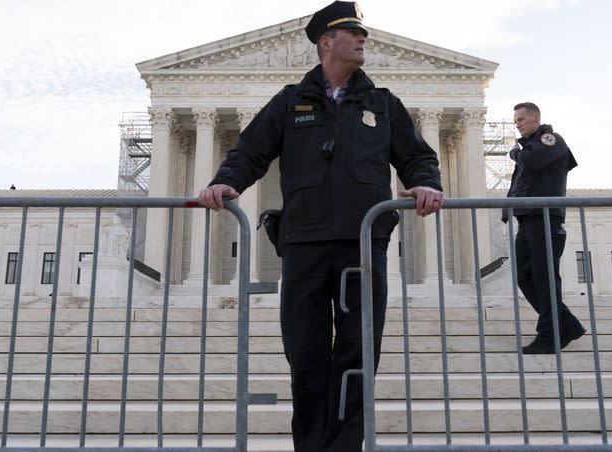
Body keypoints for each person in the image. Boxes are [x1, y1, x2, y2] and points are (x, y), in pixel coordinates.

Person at [197, 2, 444, 450]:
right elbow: (250, 151)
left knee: (358, 357)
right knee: (306, 358)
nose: (363, 38)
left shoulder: (381, 104)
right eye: (353, 32)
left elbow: (418, 156)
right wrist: (225, 182)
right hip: (304, 245)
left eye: (362, 33)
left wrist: (426, 184)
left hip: (363, 248)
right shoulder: (291, 101)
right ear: (326, 42)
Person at [503, 102, 585, 355]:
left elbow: (534, 162)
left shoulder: (550, 140)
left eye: (521, 119)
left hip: (545, 217)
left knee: (545, 277)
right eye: (515, 120)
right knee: (524, 276)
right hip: (527, 218)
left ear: (536, 118)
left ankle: (549, 335)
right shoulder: (529, 147)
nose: (517, 124)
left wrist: (514, 152)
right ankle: (567, 324)